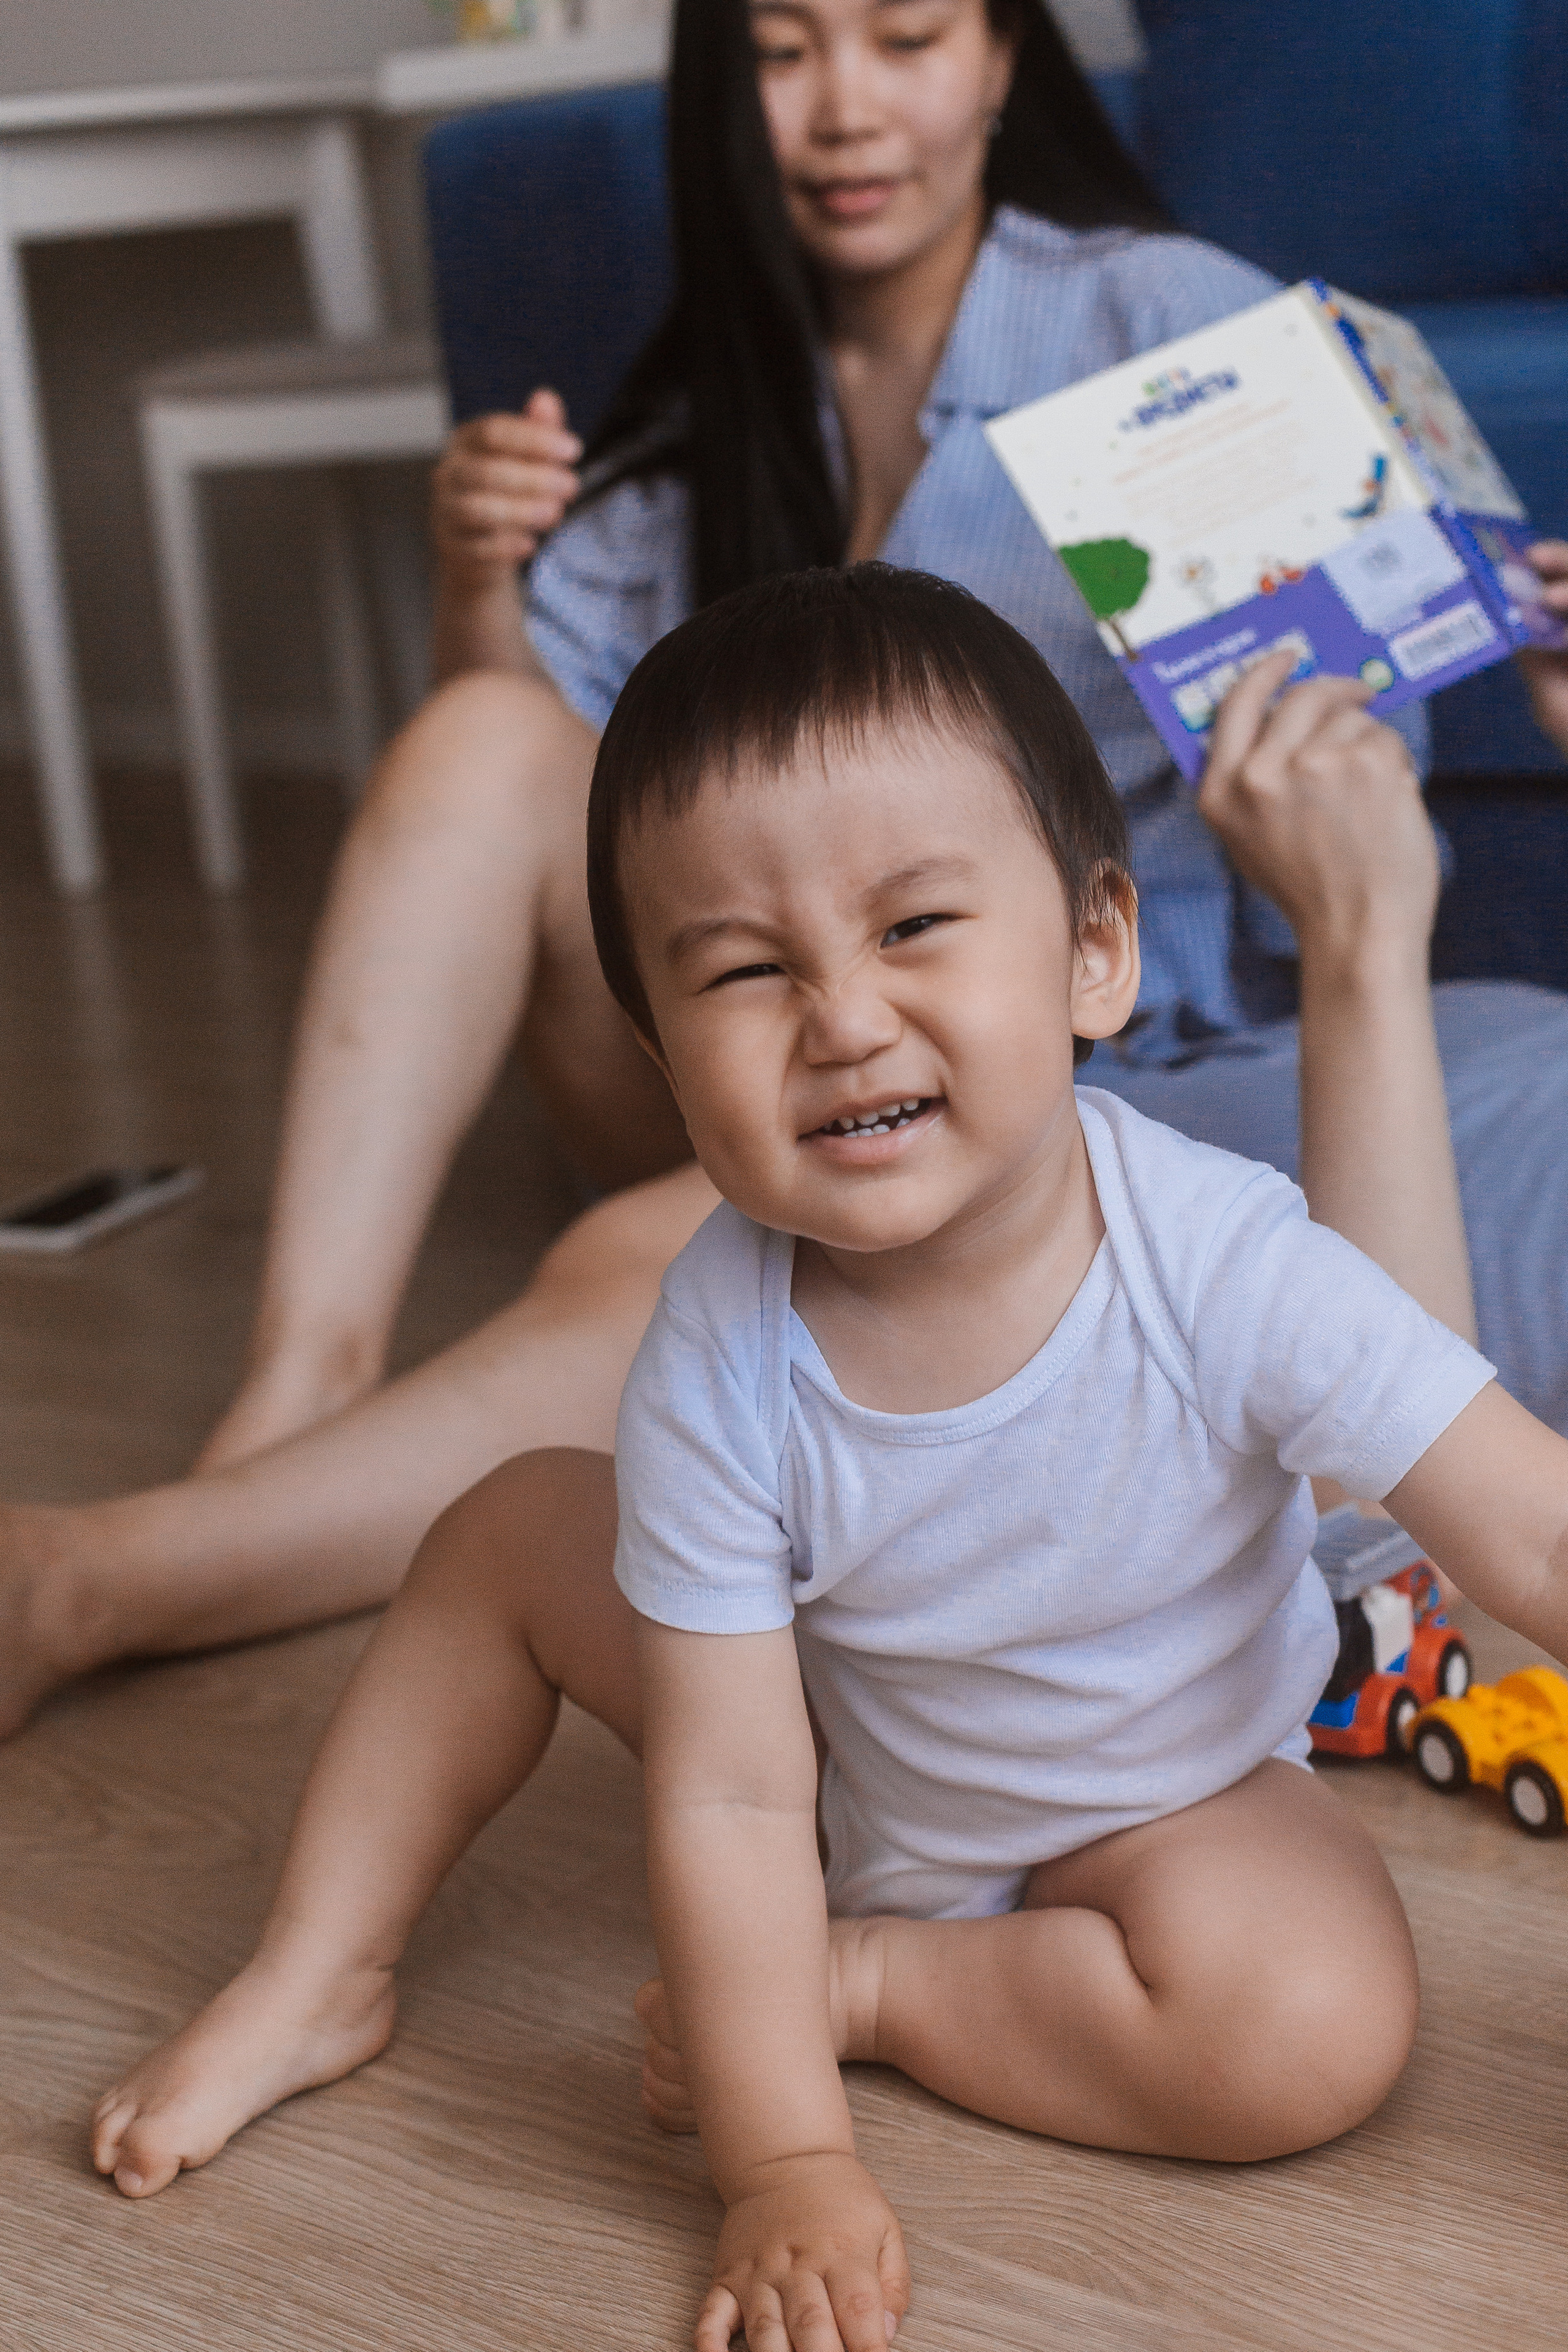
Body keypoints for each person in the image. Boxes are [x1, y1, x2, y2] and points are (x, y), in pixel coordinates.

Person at [6, 0, 1568, 1739]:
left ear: (998, 64)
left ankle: (99, 1575)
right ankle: (294, 1390)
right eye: (780, 52)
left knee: (662, 1268)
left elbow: (1362, 809)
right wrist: (475, 583)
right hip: (738, 1046)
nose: (843, 110)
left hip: (1120, 1041)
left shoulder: (1172, 329)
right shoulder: (718, 405)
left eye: (905, 38)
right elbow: (516, 812)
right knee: (488, 760)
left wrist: (1317, 821)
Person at [89, 575, 1568, 2352]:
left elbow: (1531, 1539)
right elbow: (724, 1794)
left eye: (915, 924)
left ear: (1096, 950)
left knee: (1313, 2029)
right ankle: (317, 1969)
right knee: (497, 1537)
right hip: (826, 1753)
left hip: (1163, 1797)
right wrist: (782, 2157)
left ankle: (884, 1981)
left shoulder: (1227, 1261)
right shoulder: (723, 1343)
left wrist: (820, 1983)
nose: (843, 1016)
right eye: (743, 969)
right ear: (659, 1049)